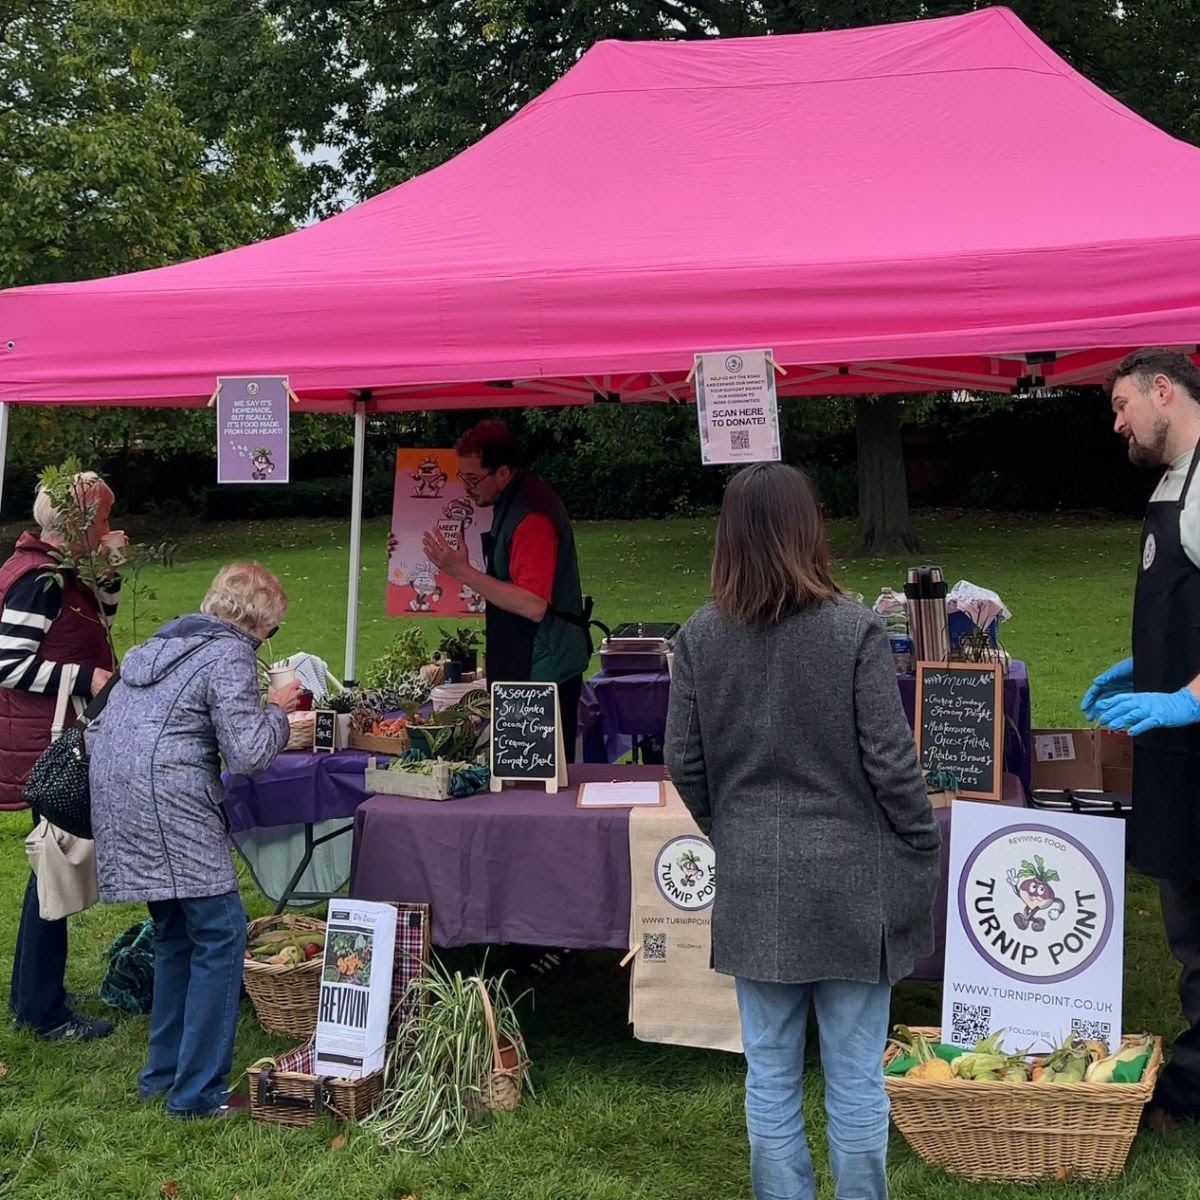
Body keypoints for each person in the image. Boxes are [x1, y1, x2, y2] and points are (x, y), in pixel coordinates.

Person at [665, 463, 940, 1200]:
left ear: (729, 539)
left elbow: (683, 762)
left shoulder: (698, 636)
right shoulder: (852, 629)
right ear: (807, 530)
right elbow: (891, 761)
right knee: (855, 1083)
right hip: (855, 884)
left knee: (771, 1074)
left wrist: (734, 830)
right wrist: (920, 840)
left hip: (757, 878)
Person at [89, 562, 301, 1118]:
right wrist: (279, 709)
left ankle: (161, 1076)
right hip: (172, 800)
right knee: (221, 932)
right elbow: (250, 753)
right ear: (257, 623)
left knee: (176, 934)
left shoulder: (158, 645)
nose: (265, 642)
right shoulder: (228, 653)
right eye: (272, 631)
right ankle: (199, 1092)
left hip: (119, 793)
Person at [1083, 347, 1200, 1130]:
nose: (1120, 422)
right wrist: (1148, 664)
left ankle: (1190, 1093)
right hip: (1180, 758)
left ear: (1165, 389)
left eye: (1125, 404)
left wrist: (1187, 699)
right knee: (1191, 924)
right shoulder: (1173, 483)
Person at [2, 470, 124, 1041]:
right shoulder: (37, 581)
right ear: (75, 524)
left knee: (49, 866)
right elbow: (7, 664)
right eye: (100, 518)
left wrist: (110, 572)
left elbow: (99, 624)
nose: (107, 527)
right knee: (54, 865)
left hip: (50, 736)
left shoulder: (59, 572)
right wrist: (86, 675)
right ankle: (42, 1011)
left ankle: (33, 992)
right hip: (45, 743)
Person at [422, 419, 590, 759]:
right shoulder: (511, 502)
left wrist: (462, 572)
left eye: (472, 478)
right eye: (462, 477)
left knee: (536, 775)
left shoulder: (533, 518)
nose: (465, 487)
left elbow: (532, 604)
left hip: (542, 669)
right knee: (523, 776)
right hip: (531, 660)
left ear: (503, 472)